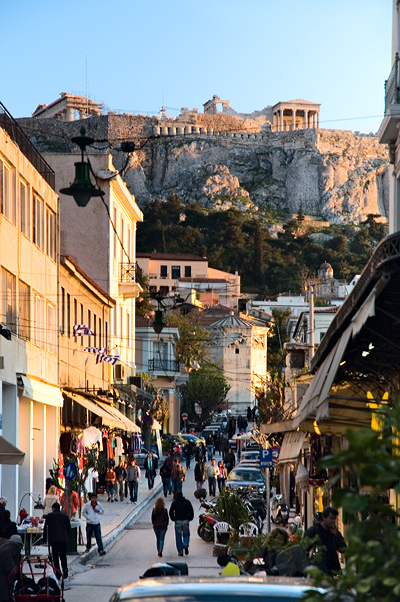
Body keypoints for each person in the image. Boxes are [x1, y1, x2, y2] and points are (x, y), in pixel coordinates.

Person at [305, 506, 346, 574]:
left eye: (334, 519)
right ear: (324, 517)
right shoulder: (314, 531)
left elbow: (343, 549)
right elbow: (305, 550)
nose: (333, 521)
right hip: (318, 570)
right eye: (331, 518)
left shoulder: (333, 532)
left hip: (331, 571)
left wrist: (337, 535)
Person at [43, 502, 71, 579]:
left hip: (54, 539)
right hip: (63, 539)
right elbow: (69, 528)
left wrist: (44, 539)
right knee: (63, 555)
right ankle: (65, 570)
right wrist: (67, 537)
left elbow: (46, 528)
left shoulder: (50, 516)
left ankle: (57, 572)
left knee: (55, 556)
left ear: (53, 508)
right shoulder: (65, 516)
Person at [169, 490, 194, 556]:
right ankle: (185, 543)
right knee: (186, 534)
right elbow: (191, 510)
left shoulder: (174, 503)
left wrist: (173, 518)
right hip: (186, 520)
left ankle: (180, 551)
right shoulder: (187, 502)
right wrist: (190, 517)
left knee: (178, 536)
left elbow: (171, 511)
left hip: (178, 520)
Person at [0, 534, 23, 602]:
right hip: (2, 575)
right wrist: (11, 568)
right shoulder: (14, 546)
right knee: (4, 595)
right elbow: (6, 553)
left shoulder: (4, 545)